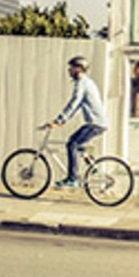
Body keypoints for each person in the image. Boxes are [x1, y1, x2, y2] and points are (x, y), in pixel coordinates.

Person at [43, 56, 108, 188]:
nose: (69, 70)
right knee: (74, 141)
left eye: (71, 67)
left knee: (72, 144)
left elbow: (74, 103)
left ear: (78, 68)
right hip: (96, 122)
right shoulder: (87, 82)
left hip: (95, 123)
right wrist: (63, 120)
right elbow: (77, 106)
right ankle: (91, 163)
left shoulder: (82, 83)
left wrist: (59, 119)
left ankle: (73, 179)